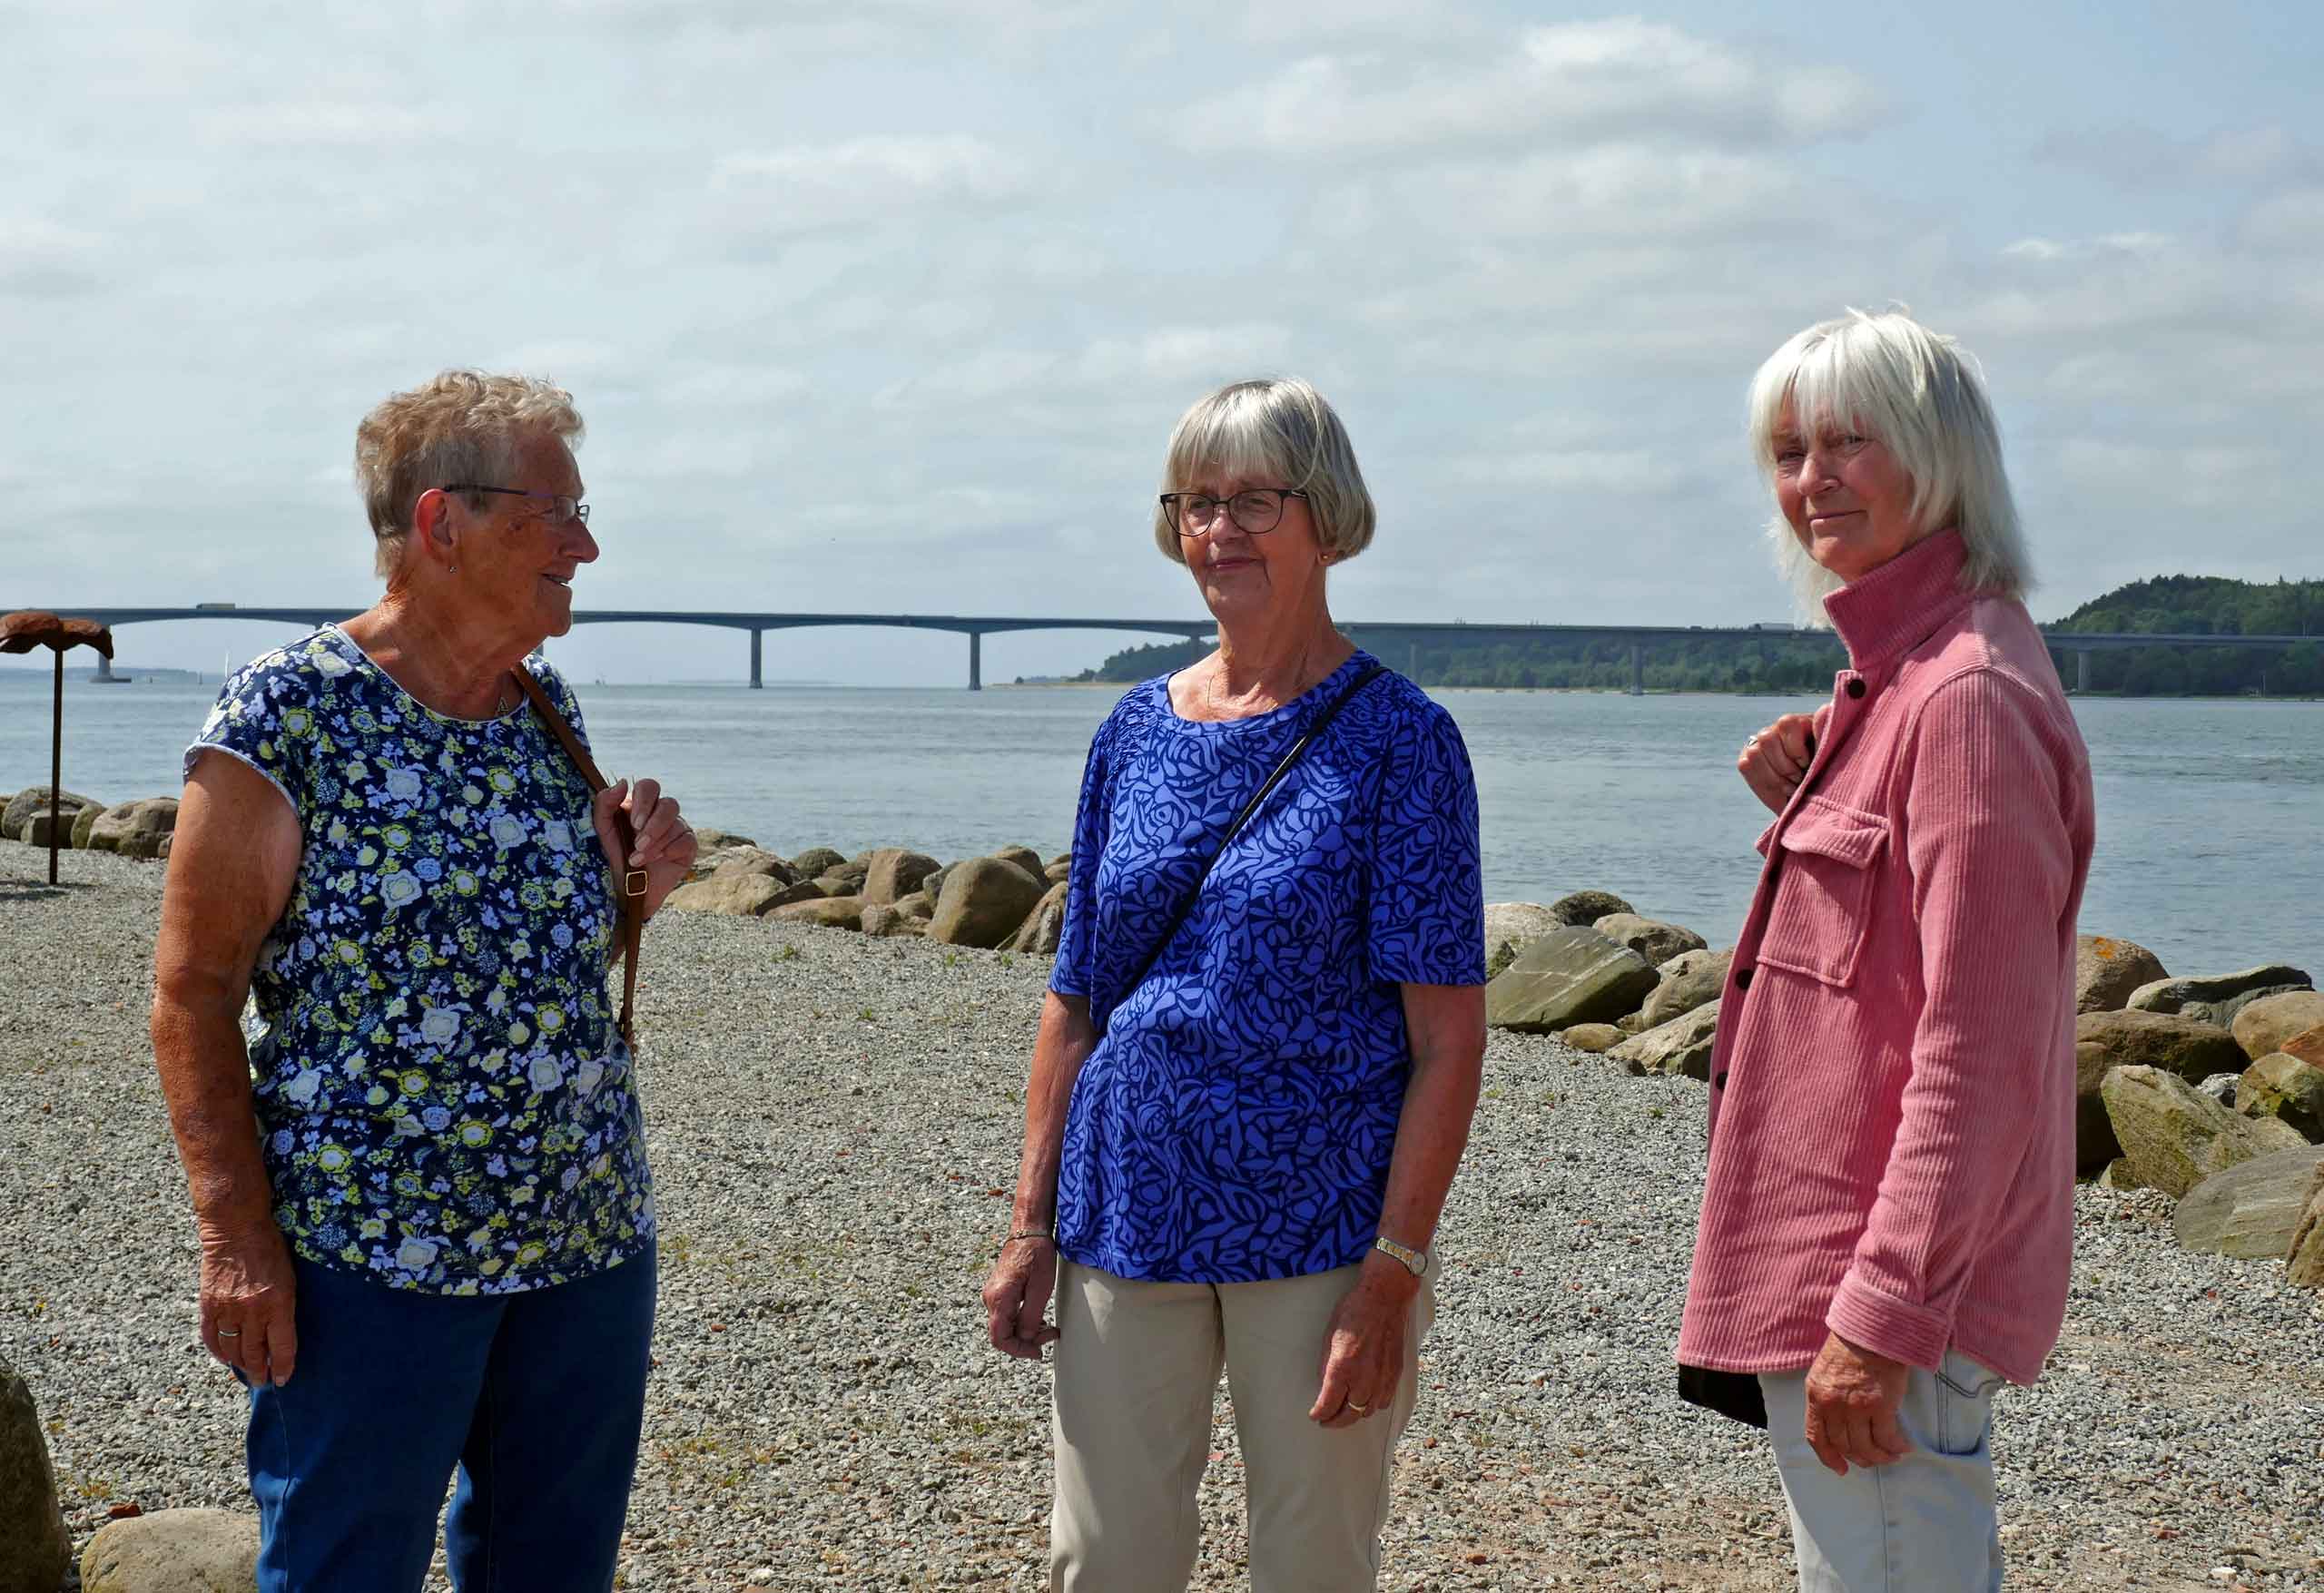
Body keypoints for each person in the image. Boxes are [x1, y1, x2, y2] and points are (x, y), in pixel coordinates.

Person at [151, 371, 697, 1592]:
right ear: (443, 523)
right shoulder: (288, 713)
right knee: (347, 1568)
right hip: (375, 1262)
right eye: (554, 515)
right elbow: (191, 995)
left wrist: (635, 890)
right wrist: (235, 1238)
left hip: (584, 1244)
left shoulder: (542, 706)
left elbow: (519, 965)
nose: (587, 545)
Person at [980, 377, 1488, 1591]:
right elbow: (1077, 995)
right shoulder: (1135, 731)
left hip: (1317, 1231)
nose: (1218, 530)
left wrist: (1394, 1273)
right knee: (1102, 1559)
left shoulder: (1403, 743)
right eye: (1195, 502)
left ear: (1326, 520)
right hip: (1125, 1213)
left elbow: (1450, 1044)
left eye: (1253, 500)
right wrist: (1029, 1227)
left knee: (1311, 1562)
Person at [1678, 310, 2094, 1589]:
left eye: (1850, 442)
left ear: (1940, 456)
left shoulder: (1963, 697)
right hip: (1845, 1268)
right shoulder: (1902, 683)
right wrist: (1821, 784)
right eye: (1791, 452)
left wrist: (1884, 1313)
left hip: (1878, 1288)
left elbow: (1980, 1051)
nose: (1812, 480)